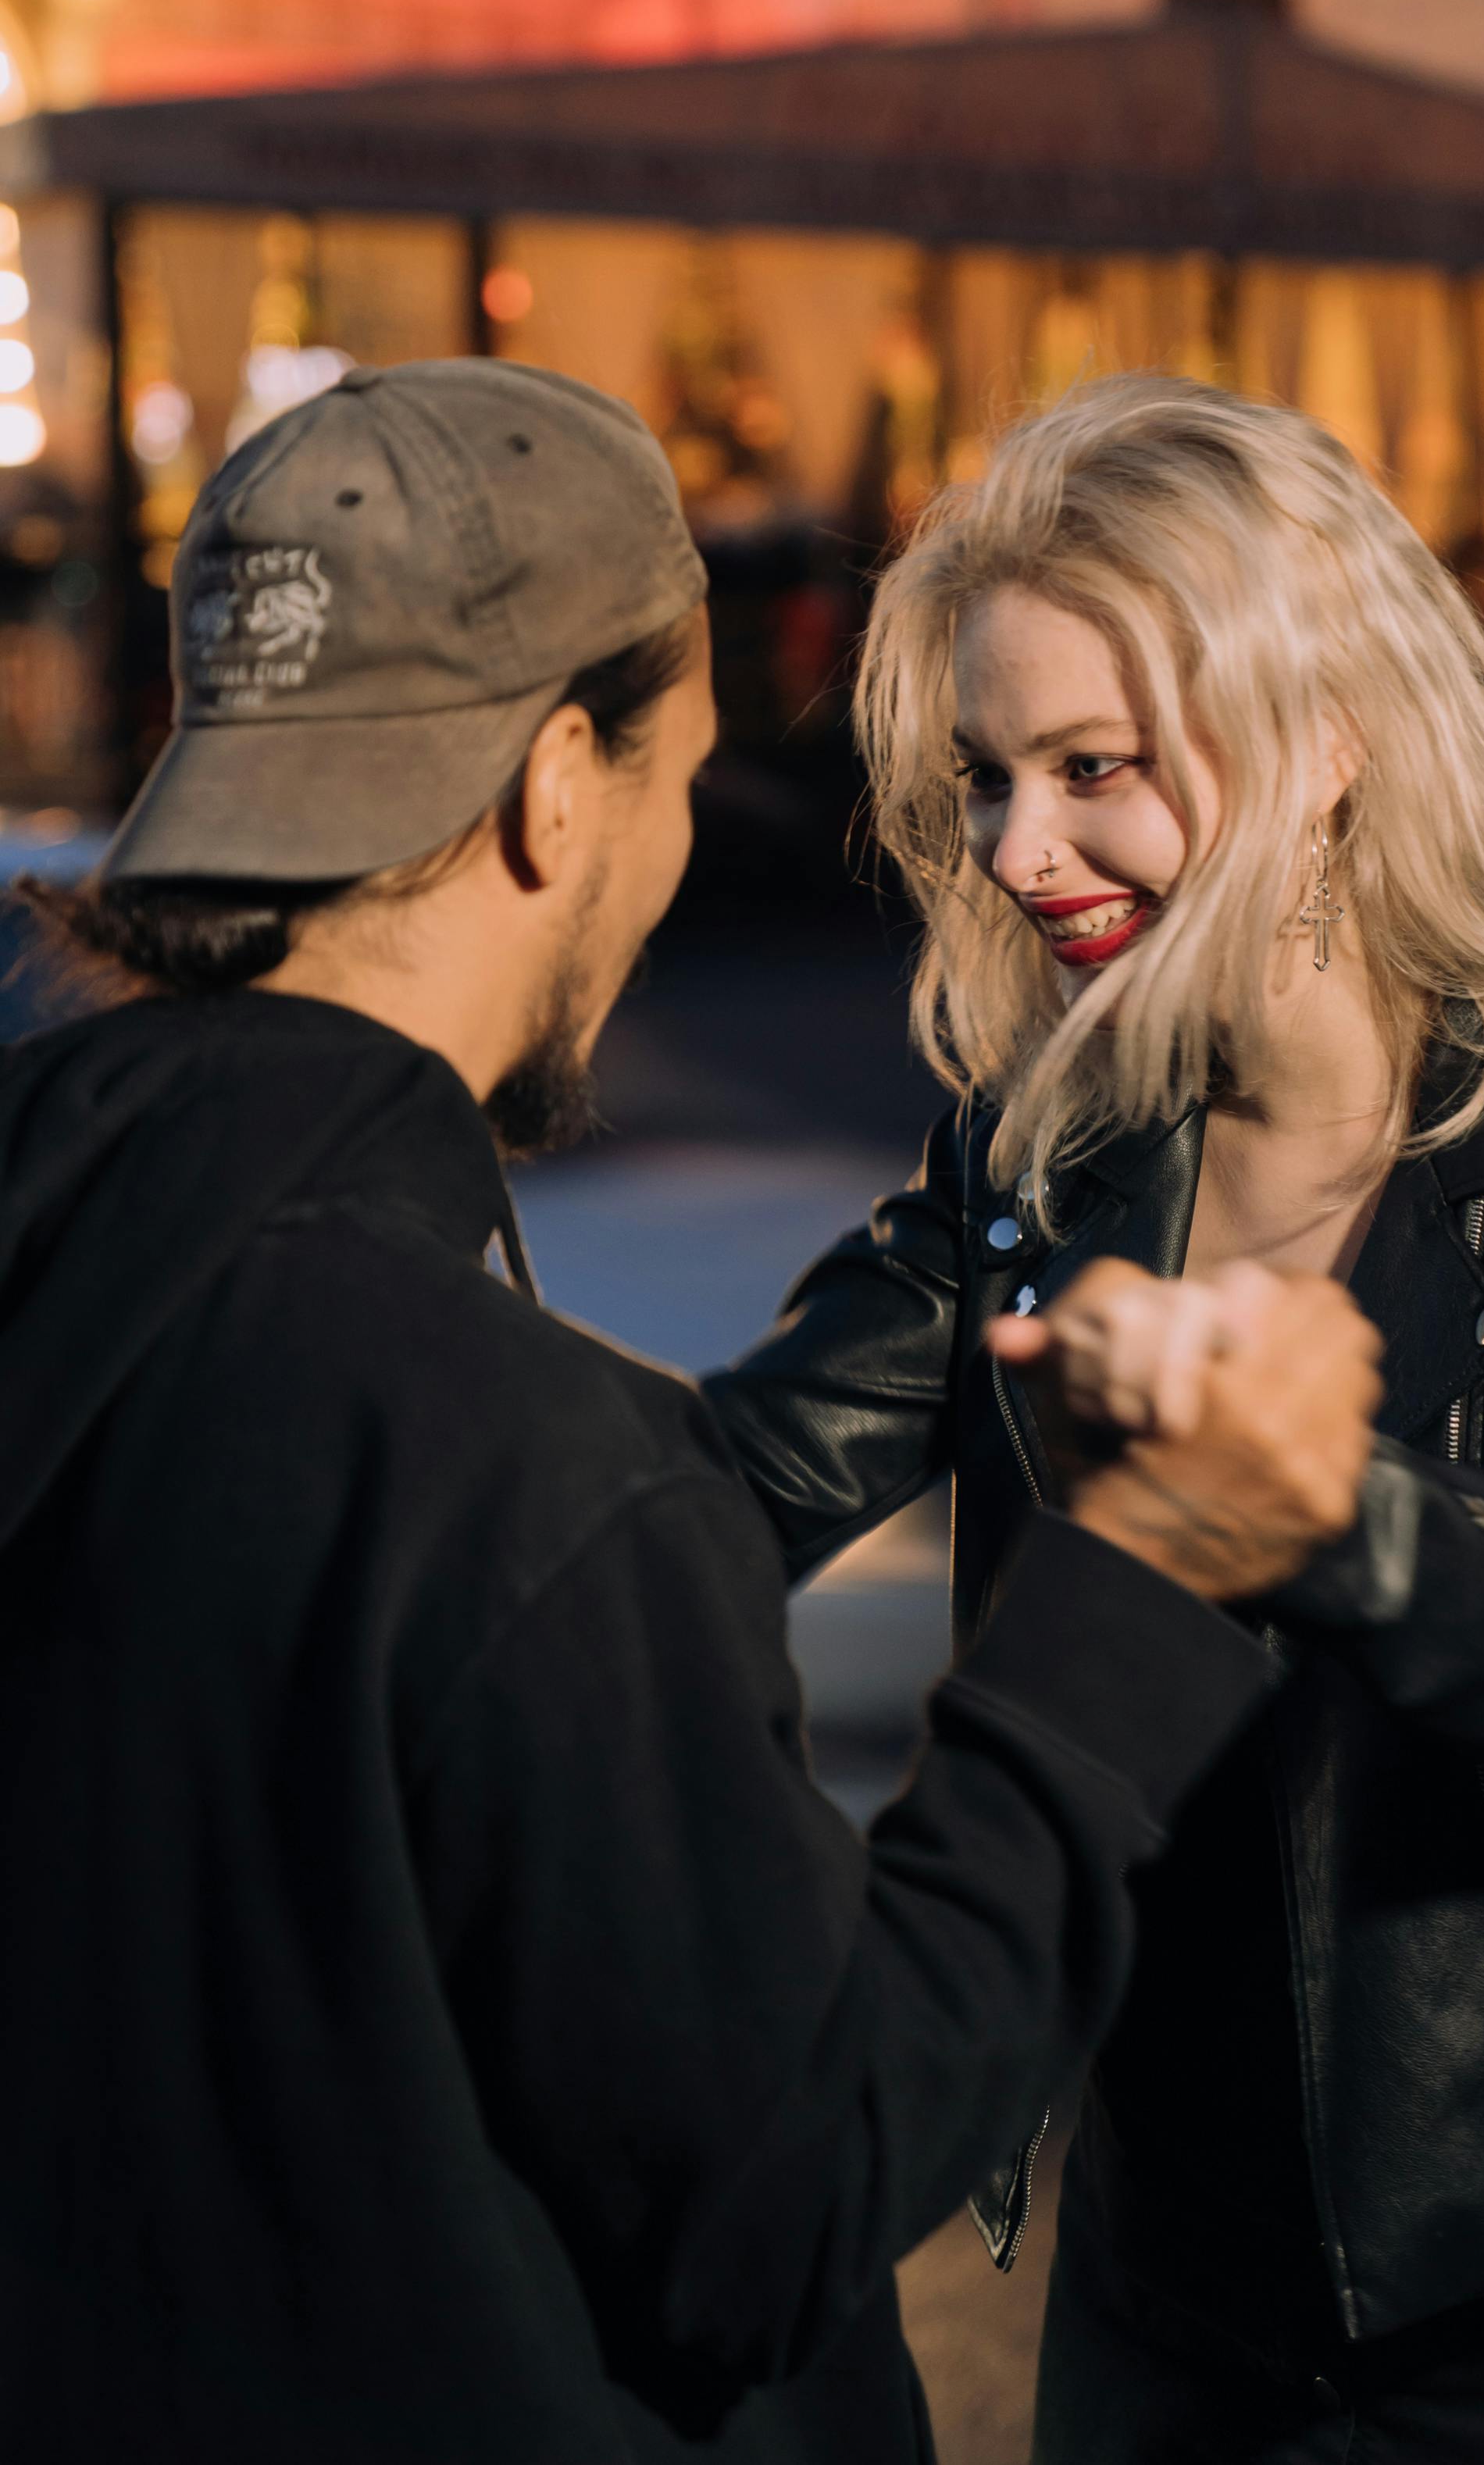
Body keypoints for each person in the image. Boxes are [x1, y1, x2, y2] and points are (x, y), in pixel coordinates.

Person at [0, 361, 1386, 2463]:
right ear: (562, 786)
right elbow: (789, 2183)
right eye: (676, 782)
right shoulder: (509, 1456)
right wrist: (1143, 1582)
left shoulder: (80, 1263)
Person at [705, 373, 1484, 2463]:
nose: (1019, 850)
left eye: (1092, 767)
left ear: (1323, 736)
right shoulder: (1040, 1150)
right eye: (986, 777)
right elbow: (720, 1489)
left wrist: (1308, 1503)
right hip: (1184, 2290)